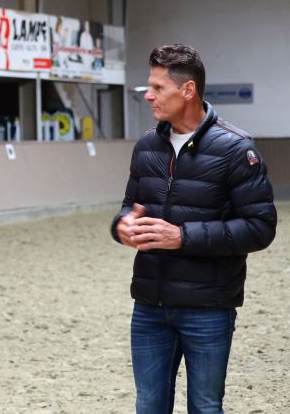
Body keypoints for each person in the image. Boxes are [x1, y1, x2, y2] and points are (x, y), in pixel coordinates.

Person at [111, 44, 276, 414]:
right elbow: (128, 206)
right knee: (149, 406)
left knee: (204, 406)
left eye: (157, 87)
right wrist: (123, 225)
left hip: (208, 307)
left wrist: (182, 237)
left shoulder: (236, 149)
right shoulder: (146, 146)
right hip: (150, 306)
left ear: (187, 90)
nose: (148, 95)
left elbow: (260, 227)